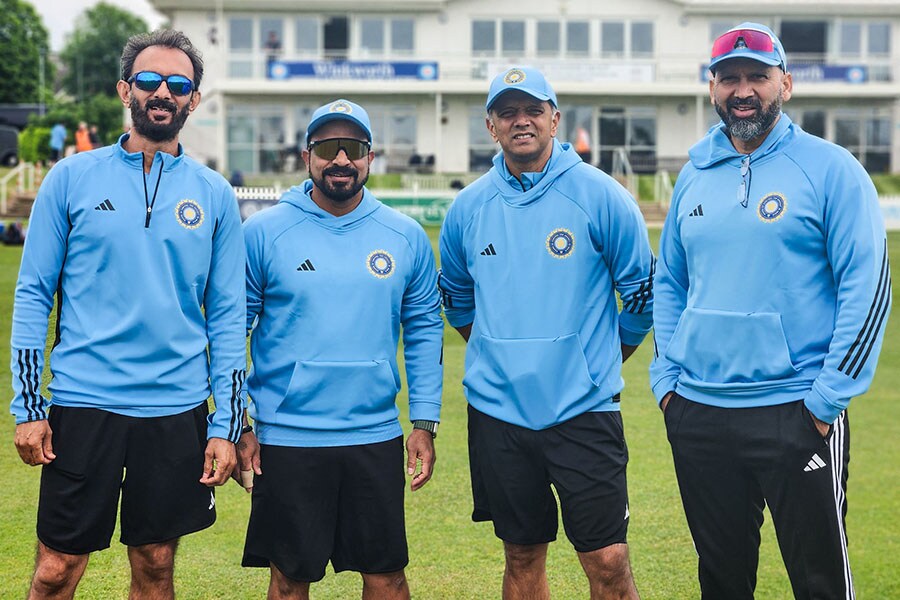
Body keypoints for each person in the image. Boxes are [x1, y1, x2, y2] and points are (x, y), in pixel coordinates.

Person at [650, 23, 891, 599]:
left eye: (757, 75)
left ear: (785, 82)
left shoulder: (831, 169)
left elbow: (868, 286)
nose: (743, 89)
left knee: (820, 583)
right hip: (700, 413)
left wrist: (828, 396)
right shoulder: (693, 175)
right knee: (723, 581)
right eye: (729, 77)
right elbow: (671, 283)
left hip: (796, 411)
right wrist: (667, 380)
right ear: (712, 88)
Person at [10, 29, 247, 599]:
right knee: (55, 571)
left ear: (193, 99)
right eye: (148, 80)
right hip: (81, 405)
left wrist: (225, 424)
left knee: (156, 565)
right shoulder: (71, 178)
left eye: (178, 84)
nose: (162, 92)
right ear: (125, 89)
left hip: (175, 410)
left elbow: (228, 317)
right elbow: (33, 294)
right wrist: (28, 406)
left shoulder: (214, 195)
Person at [439, 66, 654, 599]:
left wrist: (599, 356)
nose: (522, 121)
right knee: (521, 555)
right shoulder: (468, 207)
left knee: (608, 561)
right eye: (507, 112)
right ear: (491, 126)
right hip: (499, 413)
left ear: (555, 119)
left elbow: (644, 294)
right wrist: (499, 352)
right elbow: (458, 299)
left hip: (584, 410)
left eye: (533, 110)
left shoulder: (601, 195)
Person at [238, 98, 443, 600]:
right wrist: (238, 424)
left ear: (371, 157)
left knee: (387, 578)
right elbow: (227, 334)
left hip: (372, 435)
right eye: (328, 147)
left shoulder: (405, 236)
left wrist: (424, 421)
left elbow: (422, 330)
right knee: (289, 580)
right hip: (287, 437)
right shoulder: (264, 233)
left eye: (353, 148)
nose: (341, 160)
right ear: (307, 156)